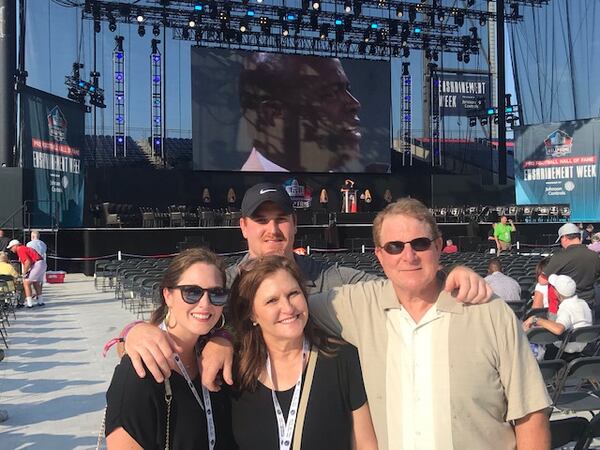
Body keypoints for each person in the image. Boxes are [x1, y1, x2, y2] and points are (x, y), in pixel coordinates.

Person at [123, 183, 492, 389]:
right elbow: (180, 325)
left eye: (281, 219)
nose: (273, 230)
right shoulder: (225, 285)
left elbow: (402, 283)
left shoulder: (330, 277)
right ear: (244, 227)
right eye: (261, 220)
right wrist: (134, 332)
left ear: (295, 224)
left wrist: (448, 276)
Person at [307, 198, 550, 449]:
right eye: (394, 247)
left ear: (438, 246)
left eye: (420, 244)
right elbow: (283, 307)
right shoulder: (358, 306)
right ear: (379, 254)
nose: (408, 256)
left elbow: (531, 414)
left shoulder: (489, 312)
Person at [229, 256, 377, 450]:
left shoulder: (342, 359)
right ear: (252, 314)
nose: (288, 308)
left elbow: (366, 444)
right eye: (272, 301)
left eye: (293, 294)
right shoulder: (234, 372)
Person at [104, 248, 234, 450]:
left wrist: (225, 338)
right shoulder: (139, 370)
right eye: (192, 292)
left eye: (216, 293)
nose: (205, 304)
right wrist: (131, 331)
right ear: (168, 295)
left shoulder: (217, 358)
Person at [239, 53, 367, 172]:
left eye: (347, 89)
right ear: (271, 114)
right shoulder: (241, 192)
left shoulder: (349, 189)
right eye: (330, 94)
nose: (354, 104)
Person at [523, 274, 593, 361]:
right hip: (585, 350)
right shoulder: (583, 303)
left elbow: (559, 329)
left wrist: (536, 319)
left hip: (565, 353)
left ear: (557, 292)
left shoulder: (566, 308)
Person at [544, 222, 600, 320]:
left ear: (564, 238)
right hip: (588, 306)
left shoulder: (559, 256)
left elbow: (543, 280)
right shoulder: (594, 256)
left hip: (565, 308)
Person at [6, 239, 46, 308]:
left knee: (26, 283)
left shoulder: (20, 249)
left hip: (37, 264)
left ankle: (29, 304)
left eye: (11, 247)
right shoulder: (24, 248)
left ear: (15, 246)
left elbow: (27, 262)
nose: (11, 249)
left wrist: (24, 273)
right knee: (35, 282)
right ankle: (40, 301)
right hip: (42, 263)